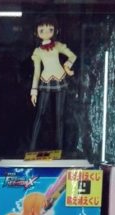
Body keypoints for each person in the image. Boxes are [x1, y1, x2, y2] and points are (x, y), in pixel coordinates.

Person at [29, 17, 77, 150]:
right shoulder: (38, 51)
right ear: (36, 33)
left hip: (60, 79)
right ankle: (32, 147)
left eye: (49, 29)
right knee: (40, 113)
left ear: (55, 31)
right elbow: (36, 72)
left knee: (59, 116)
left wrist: (67, 65)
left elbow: (72, 56)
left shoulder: (57, 46)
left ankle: (59, 149)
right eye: (42, 30)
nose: (46, 33)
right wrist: (34, 91)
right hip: (45, 80)